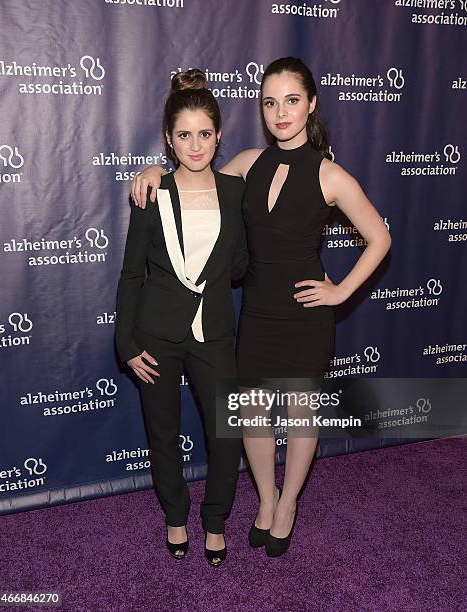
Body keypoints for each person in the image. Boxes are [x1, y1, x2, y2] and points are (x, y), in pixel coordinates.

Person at [130, 57, 392, 557]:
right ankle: (265, 497)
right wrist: (152, 171)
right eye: (270, 102)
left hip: (304, 316)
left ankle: (288, 502)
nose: (281, 113)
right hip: (253, 312)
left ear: (311, 104)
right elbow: (192, 185)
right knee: (250, 414)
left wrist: (339, 292)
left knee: (299, 416)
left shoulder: (330, 175)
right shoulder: (249, 163)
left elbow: (379, 237)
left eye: (292, 101)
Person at [115, 69, 248, 566]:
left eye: (206, 133)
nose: (196, 145)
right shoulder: (151, 191)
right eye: (185, 135)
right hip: (155, 334)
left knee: (226, 433)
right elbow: (131, 275)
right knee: (163, 433)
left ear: (219, 135)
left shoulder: (235, 191)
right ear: (169, 140)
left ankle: (215, 521)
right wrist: (125, 343)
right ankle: (175, 517)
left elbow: (240, 262)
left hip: (213, 333)